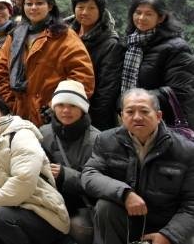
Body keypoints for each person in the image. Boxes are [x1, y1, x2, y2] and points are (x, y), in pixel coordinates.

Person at [82, 88, 194, 244]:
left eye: (144, 111)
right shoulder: (106, 140)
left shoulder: (186, 150)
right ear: (121, 117)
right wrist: (125, 193)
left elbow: (191, 204)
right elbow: (90, 175)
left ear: (158, 115)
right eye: (129, 112)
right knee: (105, 207)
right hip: (127, 221)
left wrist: (168, 236)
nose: (137, 117)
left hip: (167, 225)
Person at [0, 91, 70, 244]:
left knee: (0, 217)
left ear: (2, 111)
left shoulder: (21, 134)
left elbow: (24, 182)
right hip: (2, 210)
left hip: (41, 212)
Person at [0, 0, 95, 126]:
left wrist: (55, 106)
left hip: (55, 116)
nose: (33, 7)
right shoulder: (15, 36)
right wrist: (13, 102)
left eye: (39, 3)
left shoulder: (64, 35)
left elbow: (82, 77)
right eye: (29, 4)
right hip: (20, 115)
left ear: (50, 6)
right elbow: (1, 73)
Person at [38, 80, 99, 244]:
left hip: (81, 206)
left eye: (72, 105)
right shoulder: (42, 134)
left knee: (77, 227)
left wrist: (65, 174)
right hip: (49, 203)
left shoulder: (97, 139)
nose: (66, 110)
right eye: (61, 105)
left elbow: (100, 184)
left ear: (82, 108)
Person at [120, 0, 194, 126]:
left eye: (148, 14)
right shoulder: (129, 43)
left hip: (163, 122)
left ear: (161, 18)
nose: (141, 18)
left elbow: (180, 91)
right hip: (131, 118)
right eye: (138, 13)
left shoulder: (176, 48)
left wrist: (136, 100)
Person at [66, 0, 124, 130]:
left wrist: (92, 120)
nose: (85, 12)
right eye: (80, 7)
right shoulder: (65, 35)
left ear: (101, 11)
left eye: (91, 8)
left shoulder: (110, 43)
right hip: (65, 108)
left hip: (94, 116)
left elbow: (107, 91)